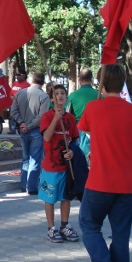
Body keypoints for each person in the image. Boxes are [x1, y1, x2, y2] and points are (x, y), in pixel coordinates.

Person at [78, 64, 132, 262]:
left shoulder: (93, 108)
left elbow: (86, 130)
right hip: (126, 183)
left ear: (101, 84)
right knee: (121, 233)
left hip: (100, 181)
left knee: (89, 224)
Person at [39, 84, 80, 243]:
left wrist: (72, 152)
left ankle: (65, 225)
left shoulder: (70, 118)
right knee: (50, 198)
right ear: (51, 98)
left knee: (66, 197)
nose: (60, 96)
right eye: (56, 93)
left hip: (66, 166)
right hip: (51, 166)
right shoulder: (47, 117)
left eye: (63, 93)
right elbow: (46, 137)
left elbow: (75, 140)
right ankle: (51, 227)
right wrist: (56, 118)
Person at [10, 72, 50, 194]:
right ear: (43, 82)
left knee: (26, 158)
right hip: (35, 130)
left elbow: (13, 111)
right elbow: (41, 116)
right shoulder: (44, 96)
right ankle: (31, 187)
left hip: (23, 130)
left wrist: (21, 123)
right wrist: (29, 125)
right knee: (35, 159)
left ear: (31, 80)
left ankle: (24, 184)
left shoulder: (20, 93)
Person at [66, 68, 99, 157]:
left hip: (79, 127)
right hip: (96, 127)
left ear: (79, 79)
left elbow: (67, 113)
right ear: (91, 79)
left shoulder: (73, 96)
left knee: (81, 154)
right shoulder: (99, 95)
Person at [8, 70, 30, 134]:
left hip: (22, 105)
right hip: (13, 104)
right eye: (17, 75)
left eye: (19, 75)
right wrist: (14, 99)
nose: (17, 76)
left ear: (24, 76)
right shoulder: (14, 83)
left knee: (20, 118)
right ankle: (12, 130)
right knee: (12, 117)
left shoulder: (28, 85)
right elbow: (11, 93)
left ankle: (21, 130)